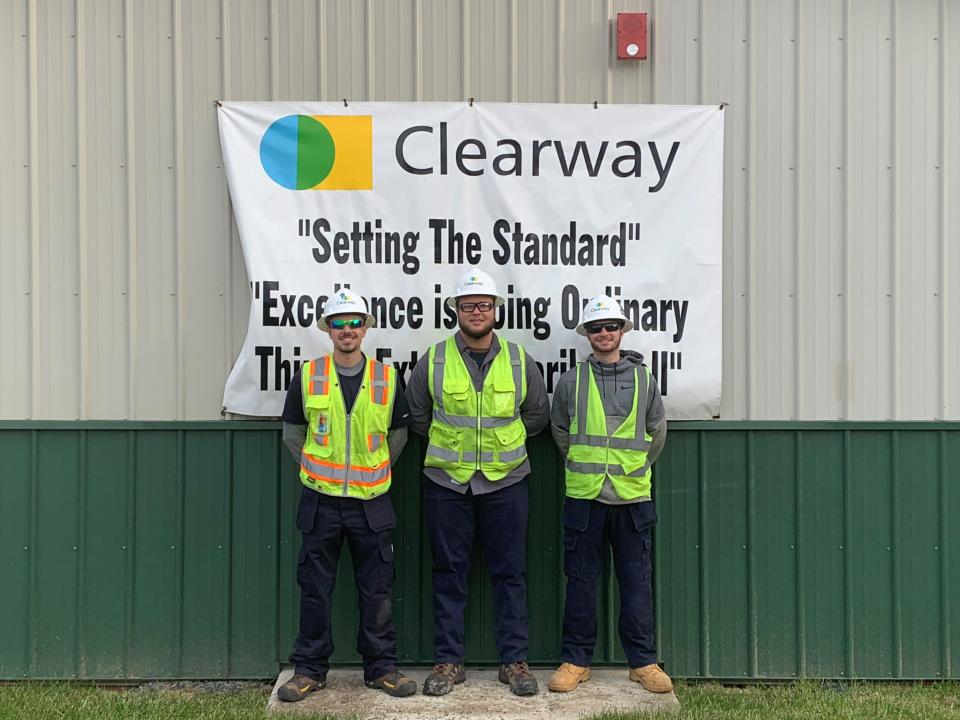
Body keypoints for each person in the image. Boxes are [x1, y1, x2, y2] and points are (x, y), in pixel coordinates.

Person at [405, 267, 550, 697]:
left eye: (483, 305)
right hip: (447, 485)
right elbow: (418, 418)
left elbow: (537, 416)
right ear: (455, 311)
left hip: (507, 483)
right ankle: (449, 662)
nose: (476, 312)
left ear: (495, 311)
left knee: (511, 573)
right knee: (449, 573)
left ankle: (514, 662)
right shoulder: (432, 360)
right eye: (468, 305)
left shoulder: (521, 361)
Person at [277, 288, 417, 701]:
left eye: (355, 322)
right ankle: (309, 671)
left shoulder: (387, 377)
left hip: (371, 503)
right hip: (321, 501)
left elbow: (399, 435)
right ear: (328, 330)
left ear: (366, 327)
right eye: (339, 323)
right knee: (315, 589)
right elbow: (292, 435)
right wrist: (320, 471)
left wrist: (372, 469)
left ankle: (381, 669)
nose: (348, 330)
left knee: (376, 590)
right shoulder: (308, 374)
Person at [547, 294, 672, 695]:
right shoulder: (570, 381)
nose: (604, 333)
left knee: (636, 582)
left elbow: (657, 432)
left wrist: (631, 468)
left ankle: (643, 662)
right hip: (585, 498)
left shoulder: (644, 379)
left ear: (622, 330)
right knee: (581, 581)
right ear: (587, 334)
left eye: (611, 326)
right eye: (596, 328)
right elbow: (561, 431)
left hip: (633, 500)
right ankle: (576, 661)